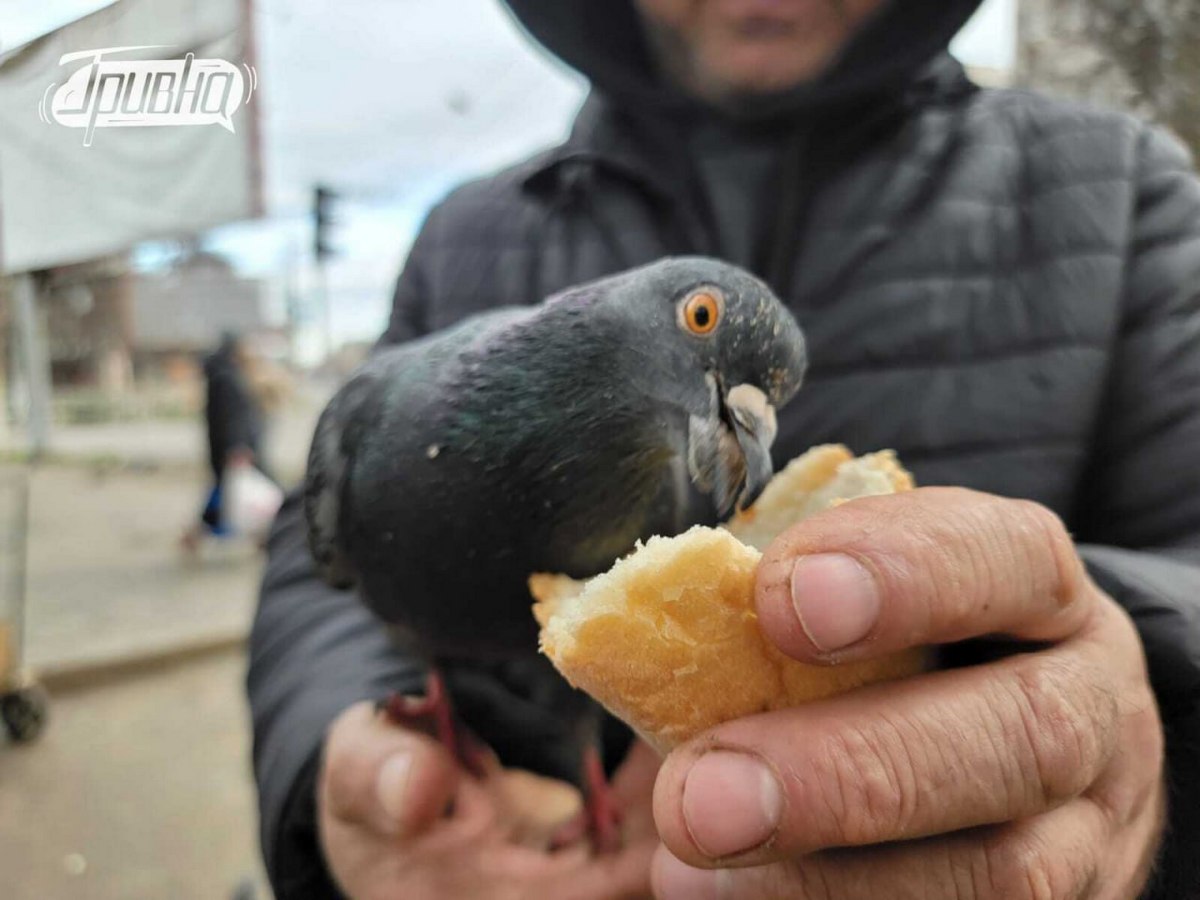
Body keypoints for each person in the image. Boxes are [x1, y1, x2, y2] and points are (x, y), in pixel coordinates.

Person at [247, 1, 1200, 897]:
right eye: (701, 319)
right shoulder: (465, 237)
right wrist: (337, 753)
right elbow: (317, 557)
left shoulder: (1129, 198)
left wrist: (1144, 747)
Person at [182, 332, 268, 552]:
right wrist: (237, 447)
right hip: (233, 450)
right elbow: (232, 417)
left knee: (230, 496)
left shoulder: (221, 376)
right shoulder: (227, 379)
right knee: (233, 497)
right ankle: (261, 538)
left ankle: (260, 538)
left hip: (226, 449)